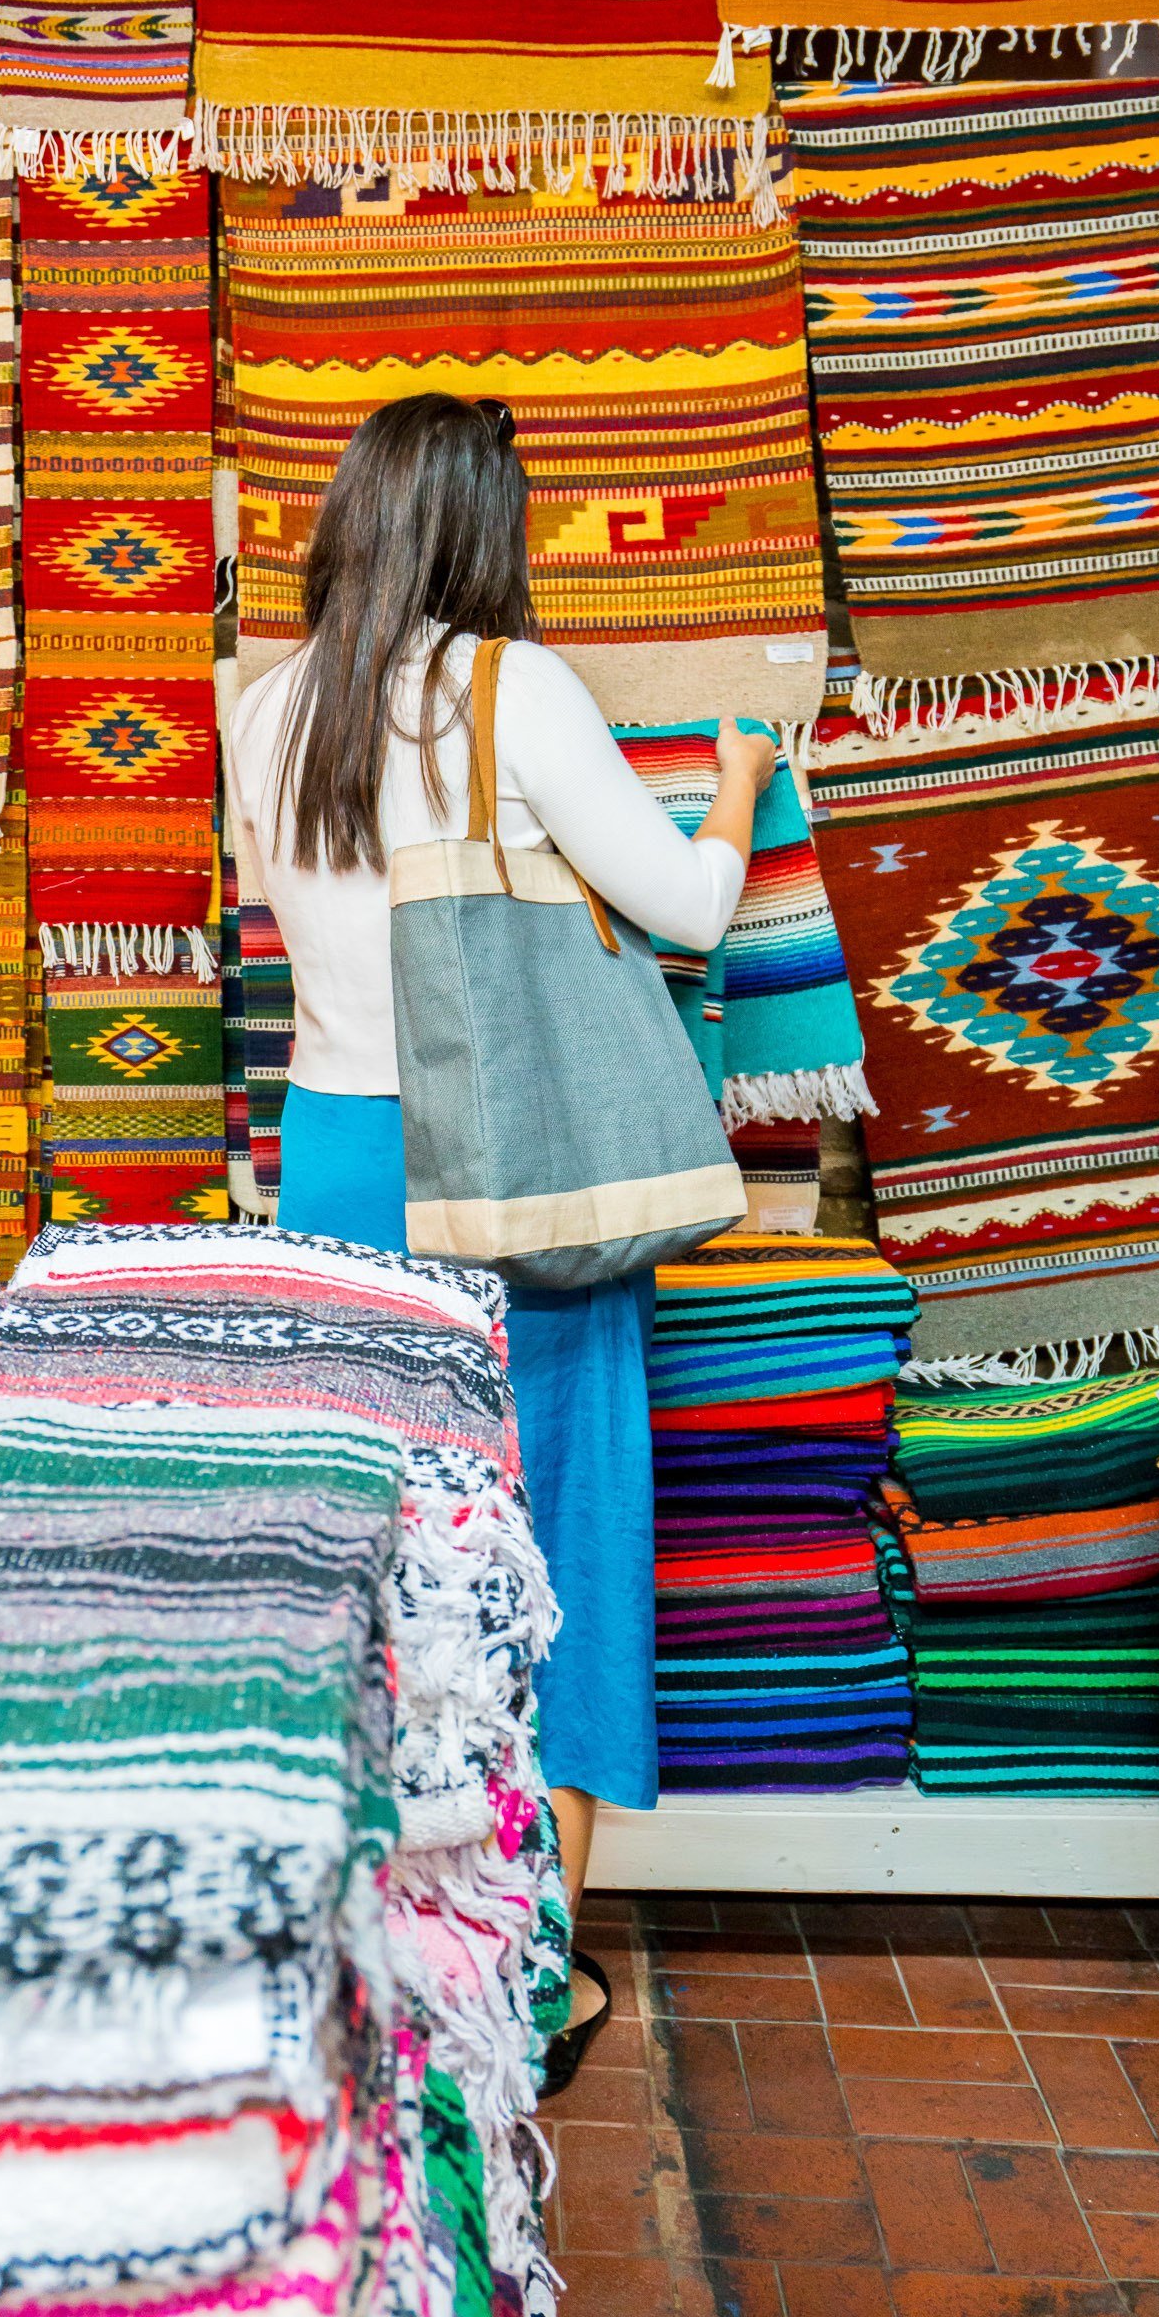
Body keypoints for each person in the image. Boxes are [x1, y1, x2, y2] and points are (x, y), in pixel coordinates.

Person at [226, 391, 778, 2086]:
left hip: (328, 1166)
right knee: (554, 1557)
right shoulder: (510, 686)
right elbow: (686, 914)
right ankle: (526, 1980)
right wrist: (741, 785)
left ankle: (376, 1965)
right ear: (486, 525)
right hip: (508, 1185)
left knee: (368, 1566)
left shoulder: (263, 709)